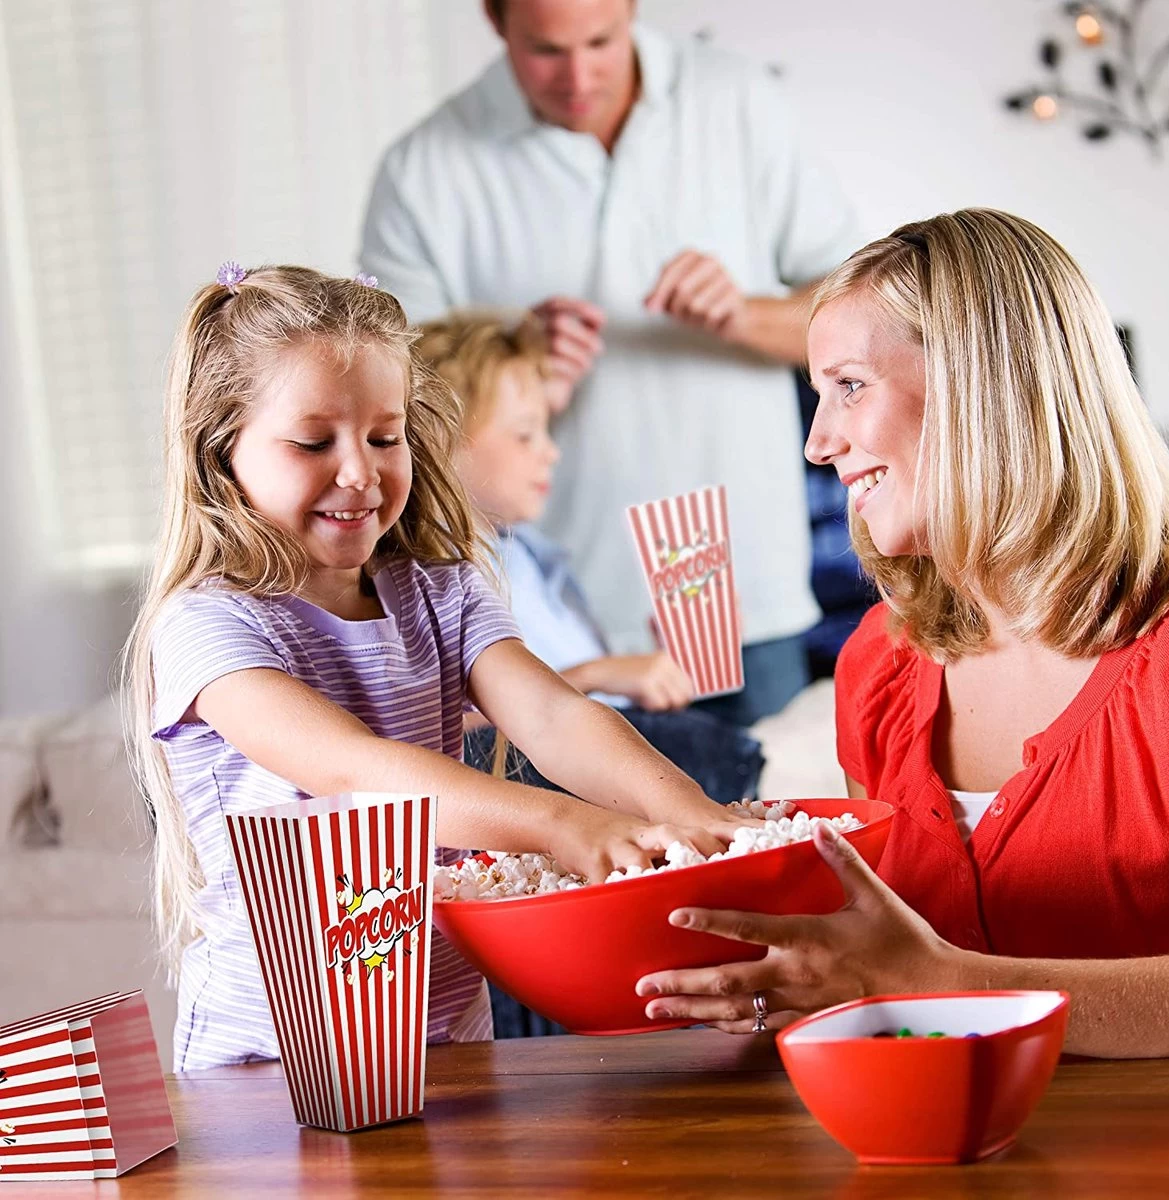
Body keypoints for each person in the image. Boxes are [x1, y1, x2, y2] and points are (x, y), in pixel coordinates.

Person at [123, 264, 747, 1072]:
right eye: (314, 442)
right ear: (220, 452)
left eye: (385, 438)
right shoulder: (206, 624)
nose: (360, 472)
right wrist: (563, 824)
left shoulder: (441, 593)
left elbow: (554, 715)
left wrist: (691, 813)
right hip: (270, 1065)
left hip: (445, 1042)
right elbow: (354, 772)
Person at [632, 209, 1169, 1059]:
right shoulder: (880, 664)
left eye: (850, 386)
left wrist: (939, 982)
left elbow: (919, 981)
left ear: (985, 387)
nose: (818, 443)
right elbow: (888, 980)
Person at [359, 0, 862, 727]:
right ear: (495, 20)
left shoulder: (736, 99)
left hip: (743, 580)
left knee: (769, 784)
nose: (579, 77)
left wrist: (745, 313)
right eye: (546, 50)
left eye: (600, 41)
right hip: (550, 606)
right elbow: (390, 402)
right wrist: (514, 363)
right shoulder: (422, 168)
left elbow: (863, 319)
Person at [413, 313, 764, 806]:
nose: (550, 452)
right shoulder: (429, 576)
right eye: (525, 433)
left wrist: (658, 670)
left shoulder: (531, 558)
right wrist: (599, 673)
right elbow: (436, 738)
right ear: (440, 441)